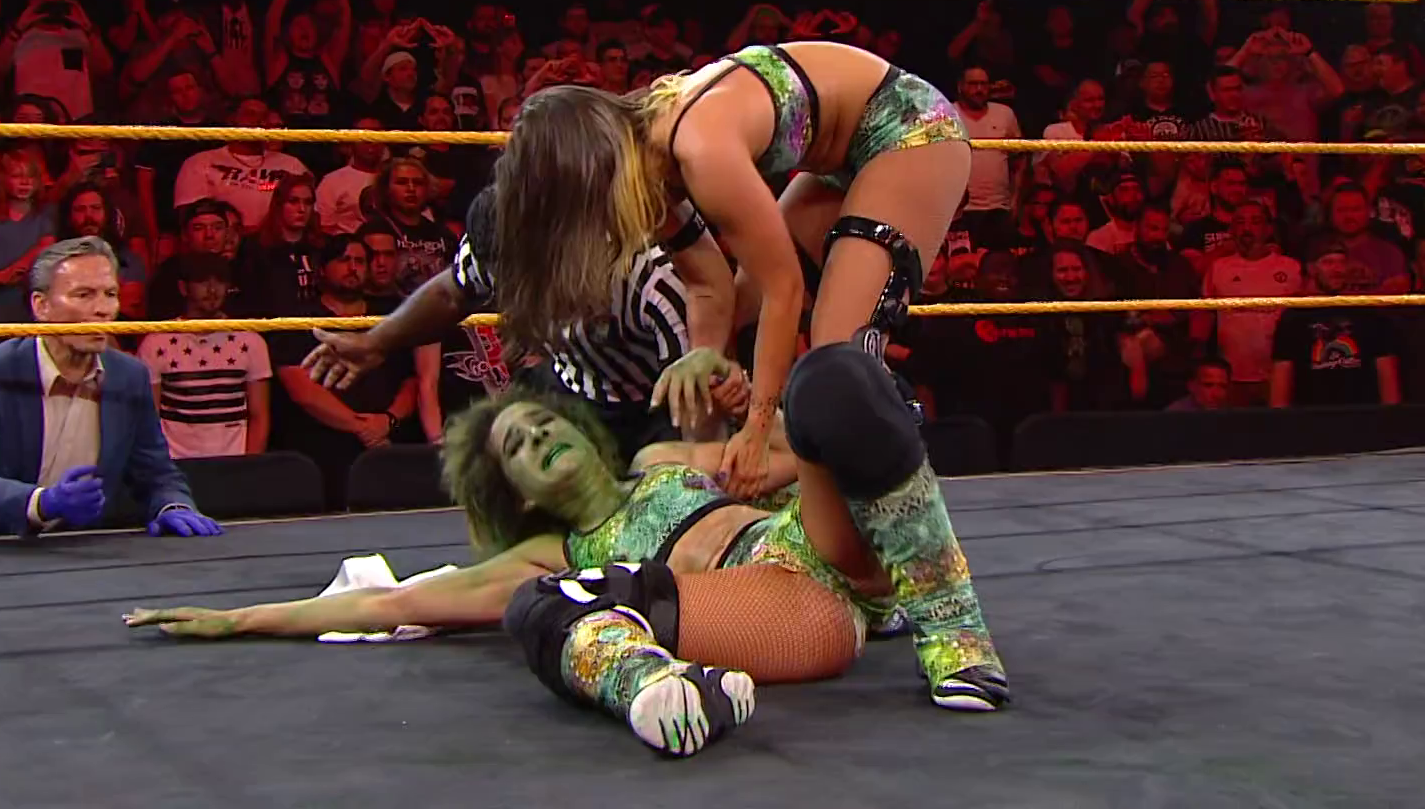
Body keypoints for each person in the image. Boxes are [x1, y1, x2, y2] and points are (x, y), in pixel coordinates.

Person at [453, 45, 1004, 708]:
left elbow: (784, 288)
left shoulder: (698, 145)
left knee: (837, 368)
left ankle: (954, 630)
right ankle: (862, 562)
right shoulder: (649, 162)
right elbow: (712, 286)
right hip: (837, 158)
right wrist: (707, 358)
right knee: (775, 341)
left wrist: (756, 425)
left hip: (906, 131)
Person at [127, 375, 1006, 759]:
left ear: (582, 432)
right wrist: (241, 618)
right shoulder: (557, 550)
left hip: (821, 548)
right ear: (516, 493)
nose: (539, 434)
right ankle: (663, 694)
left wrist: (747, 398)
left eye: (543, 422)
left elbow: (784, 452)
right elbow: (394, 603)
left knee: (834, 383)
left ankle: (953, 633)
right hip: (784, 613)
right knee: (542, 604)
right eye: (517, 445)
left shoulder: (664, 461)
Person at [305, 188, 745, 452]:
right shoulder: (498, 245)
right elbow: (449, 291)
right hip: (574, 386)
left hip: (658, 401)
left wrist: (694, 490)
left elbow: (701, 398)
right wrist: (376, 342)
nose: (515, 294)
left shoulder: (647, 277)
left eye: (528, 279)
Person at [0, 237, 221, 542]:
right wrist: (43, 503)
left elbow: (156, 472)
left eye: (110, 294)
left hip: (70, 553)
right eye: (84, 295)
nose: (103, 309)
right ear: (41, 306)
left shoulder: (128, 376)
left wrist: (172, 505)